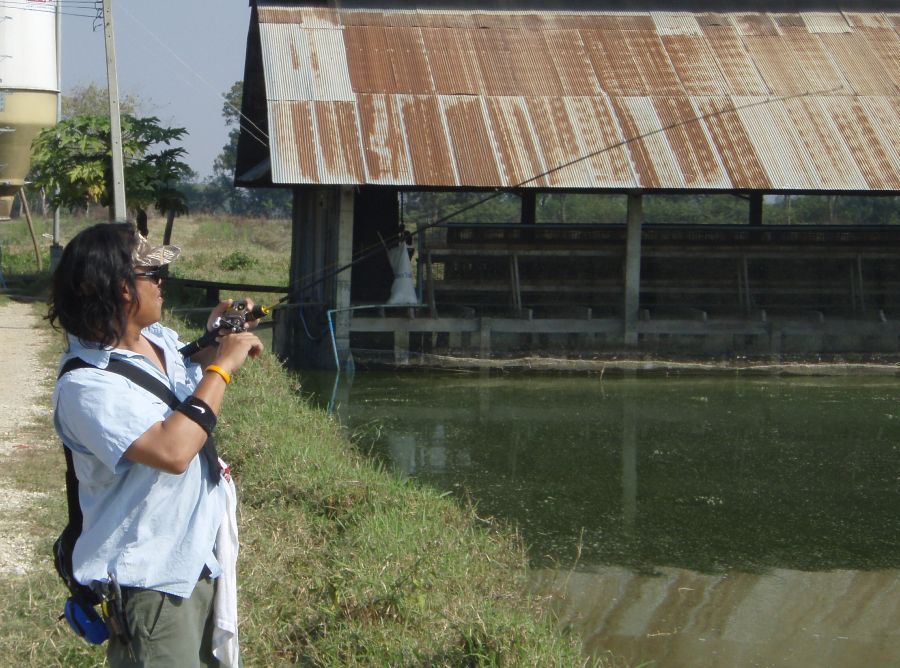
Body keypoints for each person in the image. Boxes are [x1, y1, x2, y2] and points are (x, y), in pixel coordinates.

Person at [48, 222, 263, 666]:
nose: (163, 284)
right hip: (152, 581)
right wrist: (222, 369)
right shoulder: (86, 386)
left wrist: (215, 338)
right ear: (120, 289)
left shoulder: (154, 341)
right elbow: (173, 450)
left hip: (194, 561)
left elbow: (176, 377)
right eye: (153, 276)